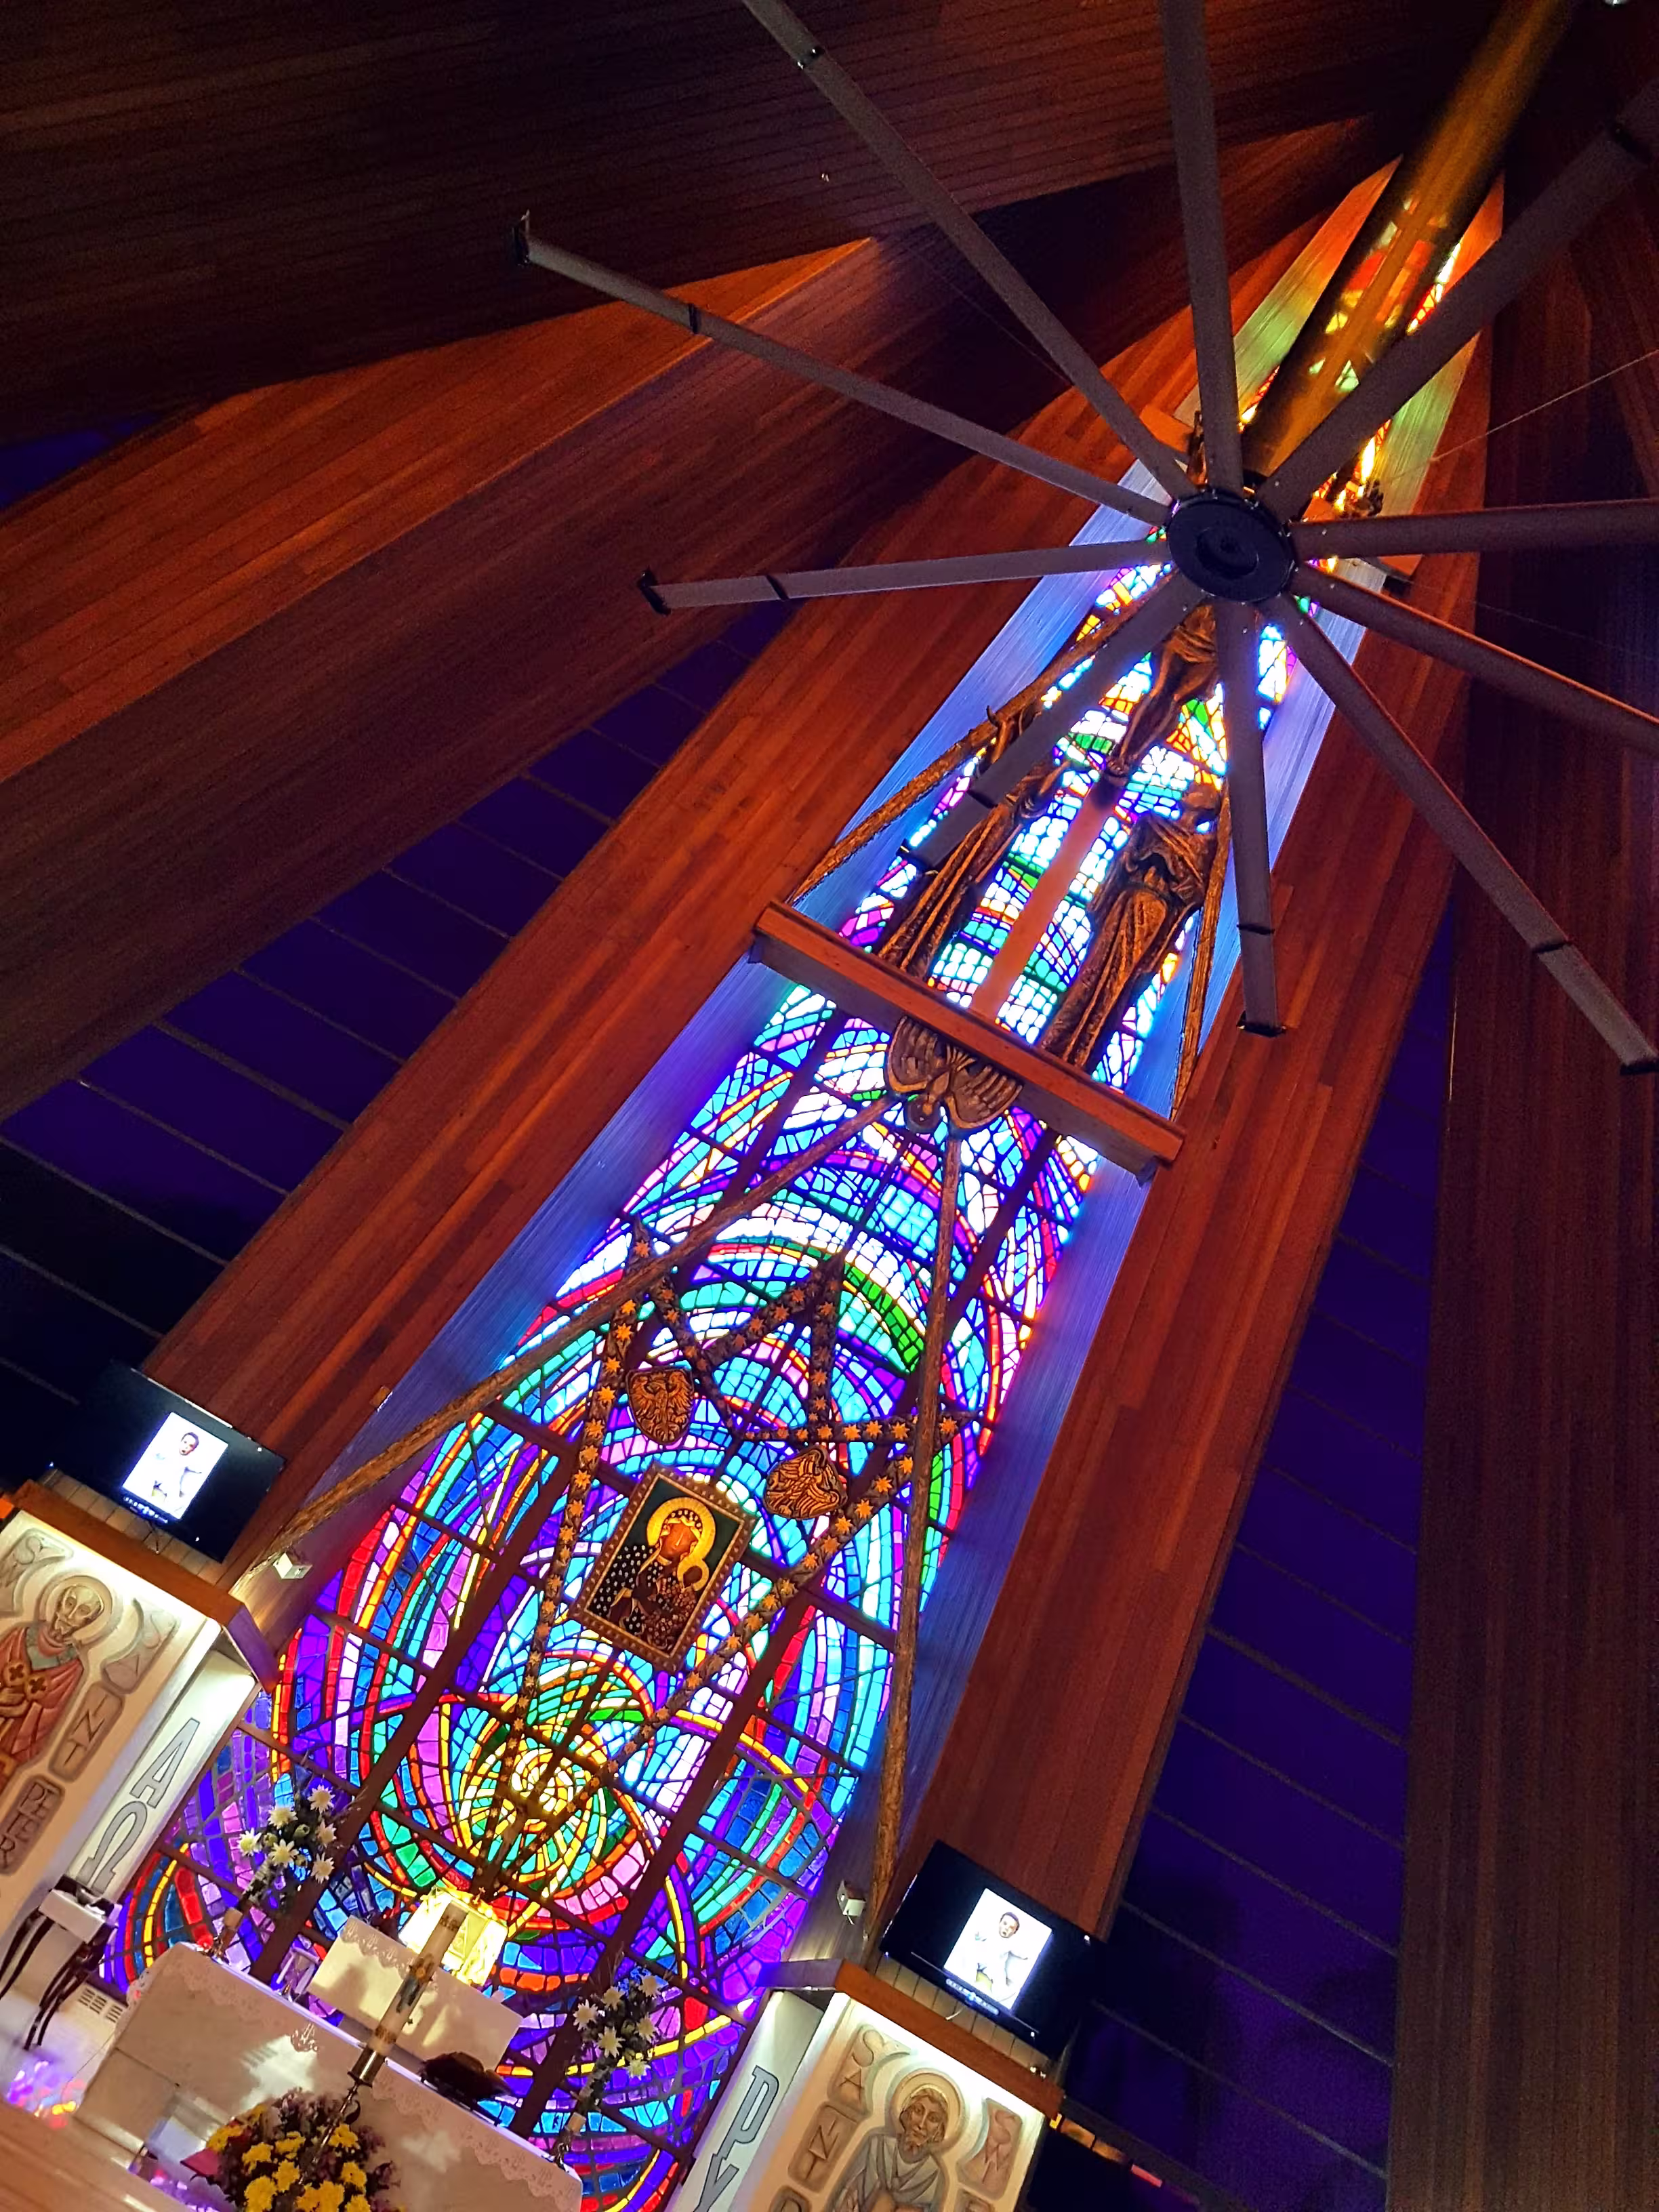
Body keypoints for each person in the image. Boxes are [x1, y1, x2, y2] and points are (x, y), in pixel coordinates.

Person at [0, 1574, 112, 1793]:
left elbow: (46, 1723)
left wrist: (24, 1709)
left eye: (82, 1612)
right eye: (69, 1603)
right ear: (58, 1603)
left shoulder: (72, 1668)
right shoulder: (19, 1636)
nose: (69, 1615)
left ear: (88, 1623)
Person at [827, 2085, 951, 2212]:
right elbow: (847, 2196)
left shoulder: (935, 2176)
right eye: (918, 2111)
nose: (921, 2124)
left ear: (939, 2129)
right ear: (907, 2113)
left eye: (933, 2119)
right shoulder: (876, 2146)